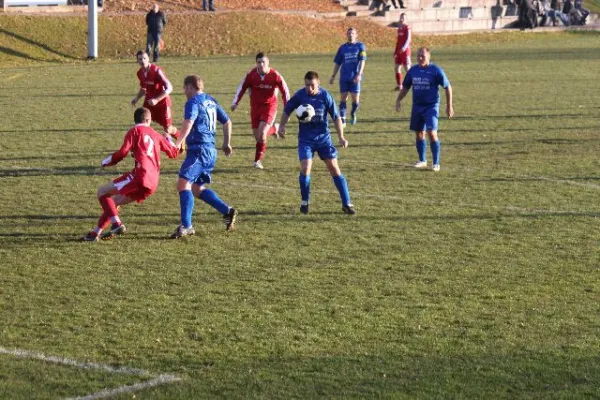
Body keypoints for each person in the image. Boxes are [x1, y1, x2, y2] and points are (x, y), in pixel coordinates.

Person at [82, 108, 179, 241]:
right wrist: (172, 135)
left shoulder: (134, 132)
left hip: (140, 176)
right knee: (114, 202)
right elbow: (174, 152)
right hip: (153, 182)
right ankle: (95, 234)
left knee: (102, 192)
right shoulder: (156, 134)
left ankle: (117, 224)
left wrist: (107, 161)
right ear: (148, 120)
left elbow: (122, 153)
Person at [278, 71, 355, 215]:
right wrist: (282, 126)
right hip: (306, 140)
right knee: (306, 168)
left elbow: (336, 117)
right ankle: (305, 202)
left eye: (312, 85)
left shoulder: (325, 96)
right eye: (307, 85)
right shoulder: (300, 95)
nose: (310, 88)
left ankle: (346, 203)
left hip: (323, 139)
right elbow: (287, 109)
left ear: (318, 83)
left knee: (334, 168)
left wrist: (341, 136)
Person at [171, 75, 237, 239]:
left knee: (183, 184)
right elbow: (227, 121)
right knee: (196, 188)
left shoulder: (193, 102)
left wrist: (179, 141)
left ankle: (187, 226)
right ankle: (227, 211)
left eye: (185, 88)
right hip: (210, 151)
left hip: (198, 150)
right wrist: (226, 143)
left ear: (190, 88)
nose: (184, 92)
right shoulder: (211, 100)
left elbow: (189, 122)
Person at [395, 47, 454, 172]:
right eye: (419, 56)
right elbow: (405, 87)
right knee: (419, 133)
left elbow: (448, 87)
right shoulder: (413, 71)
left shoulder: (436, 70)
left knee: (432, 133)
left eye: (423, 56)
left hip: (431, 106)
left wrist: (449, 106)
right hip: (417, 106)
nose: (420, 58)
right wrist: (398, 100)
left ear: (429, 57)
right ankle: (422, 160)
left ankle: (436, 163)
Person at [231, 52, 290, 170]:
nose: (261, 64)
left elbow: (285, 91)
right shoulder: (251, 75)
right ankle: (274, 129)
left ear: (268, 63)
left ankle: (257, 161)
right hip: (255, 107)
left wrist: (287, 106)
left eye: (264, 62)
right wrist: (235, 103)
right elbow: (242, 87)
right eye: (259, 62)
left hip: (269, 106)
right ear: (256, 63)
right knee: (257, 136)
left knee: (262, 134)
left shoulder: (275, 75)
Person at [131, 50, 178, 139]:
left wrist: (156, 100)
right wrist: (137, 97)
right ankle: (141, 145)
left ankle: (180, 138)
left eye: (144, 58)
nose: (142, 61)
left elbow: (170, 87)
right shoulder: (140, 73)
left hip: (163, 103)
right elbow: (144, 88)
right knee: (142, 122)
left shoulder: (156, 71)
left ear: (148, 59)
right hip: (149, 102)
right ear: (137, 61)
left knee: (168, 129)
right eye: (140, 59)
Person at [329, 27, 367, 127]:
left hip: (355, 78)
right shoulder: (342, 48)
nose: (351, 35)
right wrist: (333, 76)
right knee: (343, 99)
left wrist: (359, 74)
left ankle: (353, 113)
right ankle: (343, 119)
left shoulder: (360, 46)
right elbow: (337, 63)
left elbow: (363, 61)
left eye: (353, 33)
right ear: (347, 35)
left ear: (356, 35)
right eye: (349, 33)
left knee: (355, 100)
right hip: (344, 78)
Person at [393, 13, 412, 91]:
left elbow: (408, 39)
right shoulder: (399, 29)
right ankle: (399, 85)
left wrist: (404, 48)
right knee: (397, 67)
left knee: (407, 69)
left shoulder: (408, 28)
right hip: (399, 51)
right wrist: (395, 51)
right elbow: (398, 41)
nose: (401, 20)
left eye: (403, 18)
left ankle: (414, 83)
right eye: (401, 18)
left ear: (406, 19)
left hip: (405, 51)